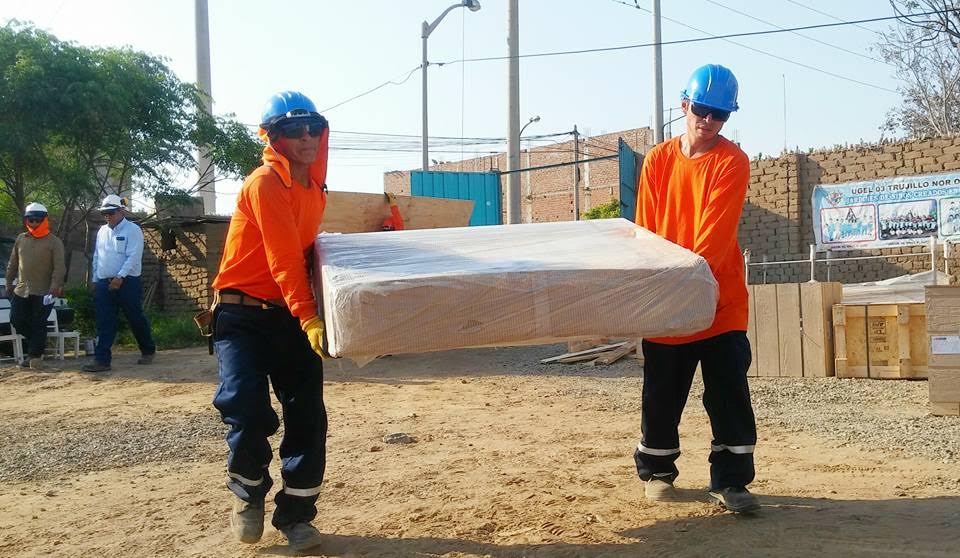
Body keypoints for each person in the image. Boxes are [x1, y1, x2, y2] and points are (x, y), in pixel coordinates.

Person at [633, 64, 760, 514]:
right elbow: (645, 229)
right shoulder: (658, 160)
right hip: (667, 300)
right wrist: (653, 286)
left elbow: (714, 233)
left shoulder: (732, 162)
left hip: (718, 301)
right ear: (684, 105)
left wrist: (683, 281)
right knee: (662, 393)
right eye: (702, 110)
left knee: (728, 392)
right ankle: (658, 472)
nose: (708, 121)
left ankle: (731, 482)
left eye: (719, 115)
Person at [210, 91, 329, 551]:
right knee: (245, 407)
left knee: (307, 417)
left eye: (313, 128)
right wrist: (310, 316)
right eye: (294, 130)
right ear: (273, 137)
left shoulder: (314, 190)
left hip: (289, 317)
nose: (306, 137)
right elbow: (282, 258)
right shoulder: (263, 183)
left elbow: (309, 252)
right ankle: (248, 493)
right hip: (242, 313)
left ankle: (297, 517)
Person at [81, 194, 156, 373]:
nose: (108, 216)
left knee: (134, 317)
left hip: (128, 282)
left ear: (121, 211)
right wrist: (95, 279)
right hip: (104, 282)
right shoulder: (102, 231)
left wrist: (120, 277)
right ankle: (102, 360)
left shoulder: (133, 230)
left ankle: (148, 349)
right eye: (104, 213)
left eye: (111, 212)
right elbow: (98, 256)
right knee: (104, 321)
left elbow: (133, 256)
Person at [4, 202, 66, 370]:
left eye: (37, 220)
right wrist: (9, 283)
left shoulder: (54, 242)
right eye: (30, 219)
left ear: (44, 220)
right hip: (22, 289)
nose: (33, 223)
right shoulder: (21, 239)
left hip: (45, 291)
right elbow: (12, 263)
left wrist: (55, 287)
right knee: (16, 319)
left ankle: (34, 357)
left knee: (39, 322)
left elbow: (59, 267)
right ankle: (37, 344)